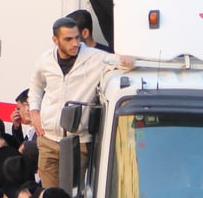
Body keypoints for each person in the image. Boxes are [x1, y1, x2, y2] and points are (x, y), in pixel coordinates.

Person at [29, 17, 133, 190]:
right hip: (47, 138)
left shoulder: (95, 58)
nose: (75, 43)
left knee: (71, 193)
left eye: (77, 38)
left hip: (78, 142)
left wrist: (128, 60)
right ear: (55, 40)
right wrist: (34, 111)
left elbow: (122, 64)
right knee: (49, 193)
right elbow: (36, 85)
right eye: (68, 39)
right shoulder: (46, 59)